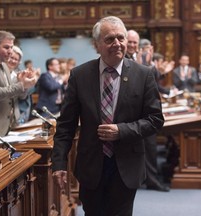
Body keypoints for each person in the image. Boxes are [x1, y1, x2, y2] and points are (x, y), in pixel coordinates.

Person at [51, 16, 164, 216]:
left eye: (121, 38)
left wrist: (122, 130)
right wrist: (59, 162)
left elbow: (155, 120)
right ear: (97, 45)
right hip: (91, 165)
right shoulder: (80, 75)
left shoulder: (144, 74)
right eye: (109, 39)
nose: (117, 44)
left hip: (127, 165)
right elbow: (66, 124)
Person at [126, 30, 170, 192]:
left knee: (150, 147)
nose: (132, 45)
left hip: (146, 112)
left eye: (134, 43)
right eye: (129, 42)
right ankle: (140, 179)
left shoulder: (142, 58)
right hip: (129, 114)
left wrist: (150, 64)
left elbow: (152, 78)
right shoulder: (120, 59)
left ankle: (151, 179)